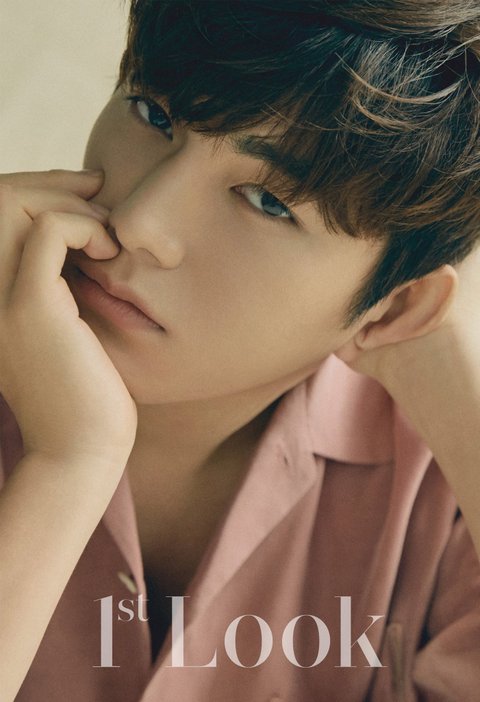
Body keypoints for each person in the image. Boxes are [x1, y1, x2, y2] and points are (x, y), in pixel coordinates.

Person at [1, 1, 479, 700]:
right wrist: (66, 463)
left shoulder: (443, 487)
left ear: (397, 307)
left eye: (266, 201)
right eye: (153, 114)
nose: (140, 222)